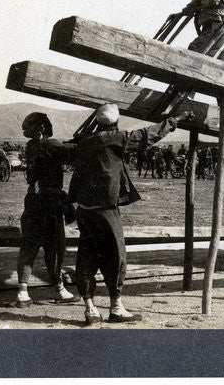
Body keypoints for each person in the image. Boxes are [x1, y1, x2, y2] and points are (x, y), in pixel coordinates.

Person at [68, 103, 195, 324]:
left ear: (98, 122)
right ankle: (116, 307)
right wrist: (177, 119)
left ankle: (90, 309)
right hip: (106, 209)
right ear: (116, 122)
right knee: (116, 255)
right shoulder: (117, 139)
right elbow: (149, 135)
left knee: (87, 255)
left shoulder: (86, 142)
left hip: (85, 209)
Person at [11, 113, 78, 308]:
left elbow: (57, 150)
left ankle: (23, 292)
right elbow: (71, 153)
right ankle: (59, 289)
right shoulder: (51, 145)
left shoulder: (32, 146)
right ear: (42, 128)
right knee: (55, 247)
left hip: (32, 202)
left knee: (29, 246)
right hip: (50, 205)